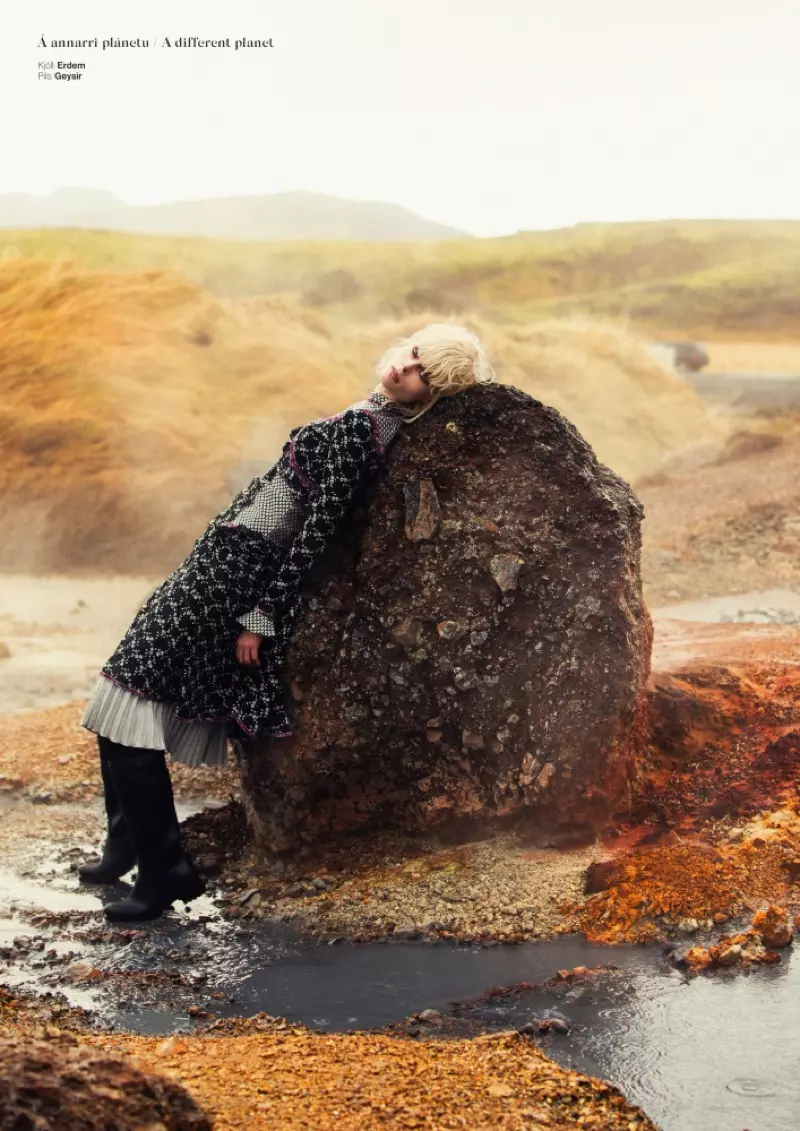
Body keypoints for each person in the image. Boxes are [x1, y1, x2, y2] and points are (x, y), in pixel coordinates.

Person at [78, 322, 496, 922]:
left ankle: (163, 868)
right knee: (119, 696)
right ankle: (126, 843)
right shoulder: (369, 413)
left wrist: (261, 615)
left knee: (126, 694)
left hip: (237, 575)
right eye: (414, 354)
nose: (407, 369)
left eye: (425, 375)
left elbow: (316, 530)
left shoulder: (365, 431)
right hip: (221, 558)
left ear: (430, 396)